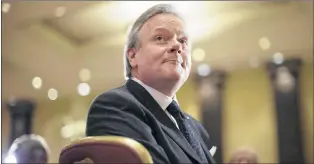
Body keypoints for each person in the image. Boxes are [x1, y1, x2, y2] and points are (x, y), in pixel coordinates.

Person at [86, 3, 216, 164]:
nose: (177, 46)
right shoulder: (113, 106)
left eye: (183, 40)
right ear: (132, 56)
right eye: (160, 38)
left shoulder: (196, 128)